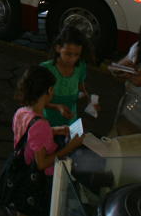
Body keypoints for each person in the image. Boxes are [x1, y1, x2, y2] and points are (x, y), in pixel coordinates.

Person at [8, 66, 84, 216]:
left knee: (23, 208)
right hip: (39, 180)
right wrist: (70, 147)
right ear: (49, 91)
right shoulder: (40, 125)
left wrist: (52, 130)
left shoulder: (21, 112)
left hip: (22, 170)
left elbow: (28, 136)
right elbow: (41, 163)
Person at [41, 27, 99, 128]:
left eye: (77, 54)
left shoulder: (80, 66)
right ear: (58, 48)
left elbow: (81, 91)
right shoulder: (46, 69)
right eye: (68, 54)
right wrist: (57, 107)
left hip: (71, 125)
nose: (73, 59)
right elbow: (35, 101)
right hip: (48, 126)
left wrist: (89, 101)